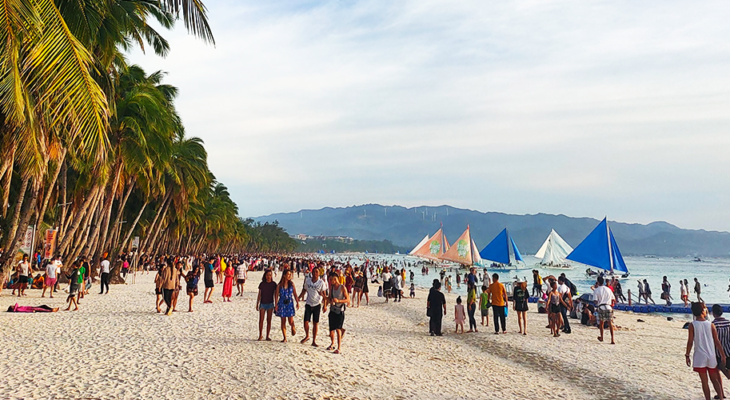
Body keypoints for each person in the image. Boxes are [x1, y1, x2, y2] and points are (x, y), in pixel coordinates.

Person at [686, 302, 726, 400]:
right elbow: (717, 341)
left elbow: (690, 342)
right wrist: (723, 355)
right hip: (711, 356)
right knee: (715, 379)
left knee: (704, 382)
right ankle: (721, 398)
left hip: (700, 356)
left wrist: (687, 355)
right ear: (702, 311)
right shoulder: (711, 325)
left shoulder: (692, 325)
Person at [299, 267, 326, 347]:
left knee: (315, 323)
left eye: (316, 272)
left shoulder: (321, 282)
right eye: (314, 272)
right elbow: (304, 290)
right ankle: (307, 335)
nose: (315, 273)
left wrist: (325, 305)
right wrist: (299, 298)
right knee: (306, 321)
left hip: (317, 304)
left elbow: (324, 294)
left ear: (319, 273)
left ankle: (314, 340)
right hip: (308, 303)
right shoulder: (308, 281)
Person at [274, 269, 299, 343]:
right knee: (283, 321)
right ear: (284, 275)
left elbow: (295, 294)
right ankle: (285, 337)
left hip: (290, 303)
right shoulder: (279, 285)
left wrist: (297, 302)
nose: (289, 276)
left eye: (290, 274)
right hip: (282, 303)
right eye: (288, 274)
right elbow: (276, 296)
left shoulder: (292, 284)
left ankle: (293, 327)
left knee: (290, 320)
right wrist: (276, 305)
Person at [327, 272, 349, 354]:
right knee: (331, 329)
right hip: (332, 310)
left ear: (335, 279)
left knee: (338, 329)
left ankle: (339, 347)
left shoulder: (342, 287)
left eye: (331, 280)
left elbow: (347, 300)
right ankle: (332, 343)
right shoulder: (331, 288)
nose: (330, 281)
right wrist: (327, 301)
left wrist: (339, 301)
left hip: (340, 311)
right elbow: (329, 298)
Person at [594, 276, 616, 344]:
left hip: (601, 307)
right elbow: (613, 299)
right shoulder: (608, 289)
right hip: (608, 307)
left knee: (601, 323)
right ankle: (612, 339)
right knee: (610, 323)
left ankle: (602, 337)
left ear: (598, 282)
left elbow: (595, 301)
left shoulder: (596, 290)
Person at [256, 270, 277, 341]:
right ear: (265, 276)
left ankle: (267, 335)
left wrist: (276, 304)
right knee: (261, 320)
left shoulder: (274, 284)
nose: (269, 277)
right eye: (267, 275)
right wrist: (257, 303)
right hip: (262, 303)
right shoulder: (262, 284)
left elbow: (277, 294)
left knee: (269, 320)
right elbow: (259, 294)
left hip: (270, 304)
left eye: (270, 275)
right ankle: (260, 335)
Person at [711, 304, 730, 379]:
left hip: (718, 353)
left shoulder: (713, 325)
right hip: (728, 351)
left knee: (720, 371)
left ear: (713, 313)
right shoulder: (728, 323)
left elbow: (713, 340)